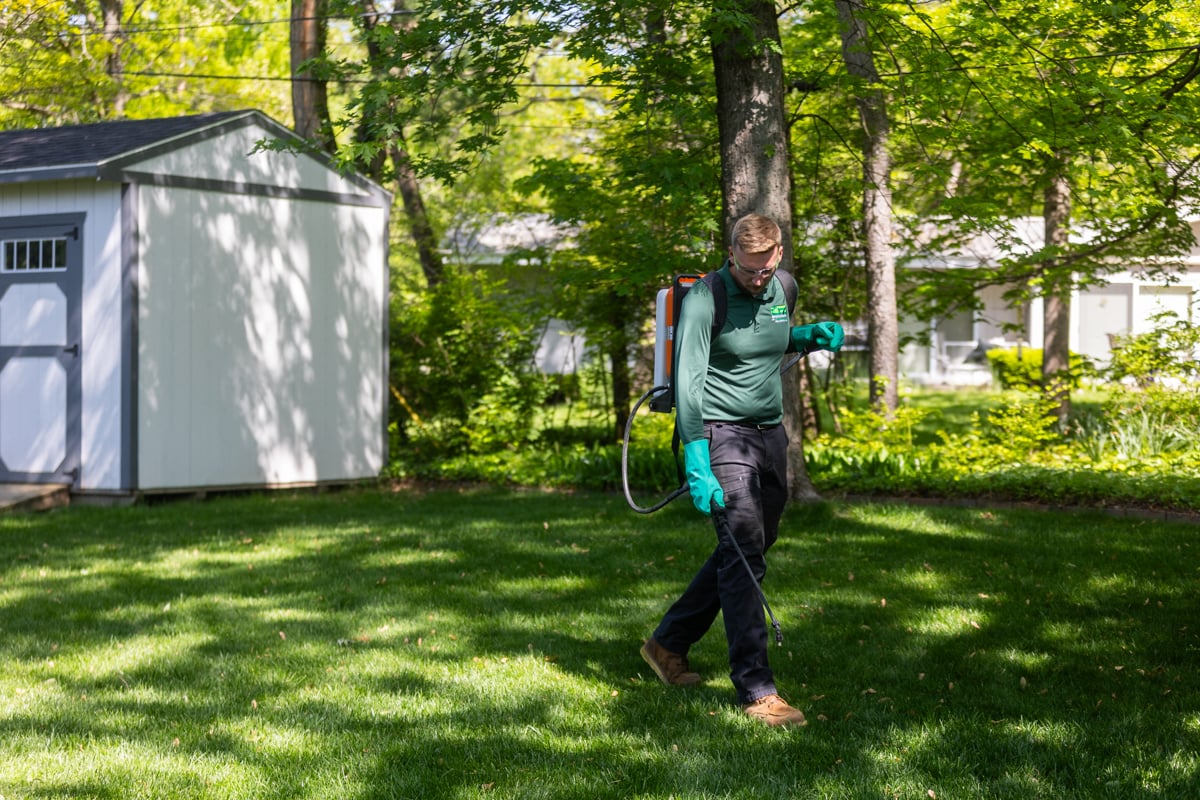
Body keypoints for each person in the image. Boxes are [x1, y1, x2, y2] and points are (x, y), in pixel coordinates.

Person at [639, 213, 844, 727]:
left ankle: (667, 643)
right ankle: (757, 690)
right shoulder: (708, 297)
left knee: (747, 546)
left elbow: (763, 343)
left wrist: (805, 337)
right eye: (747, 269)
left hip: (769, 434)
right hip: (717, 431)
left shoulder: (784, 287)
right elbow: (689, 379)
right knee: (744, 546)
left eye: (764, 269)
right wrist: (695, 456)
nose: (756, 279)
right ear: (732, 254)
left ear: (778, 255)